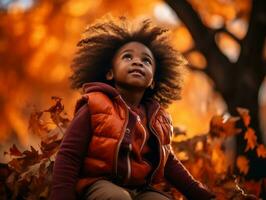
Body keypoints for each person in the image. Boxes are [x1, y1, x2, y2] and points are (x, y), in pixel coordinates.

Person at [50, 16, 215, 200]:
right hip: (98, 183)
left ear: (152, 81)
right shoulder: (94, 104)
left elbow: (169, 163)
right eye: (127, 57)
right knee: (118, 198)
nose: (137, 62)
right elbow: (69, 155)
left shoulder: (158, 119)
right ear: (110, 73)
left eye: (146, 61)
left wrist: (203, 195)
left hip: (141, 189)